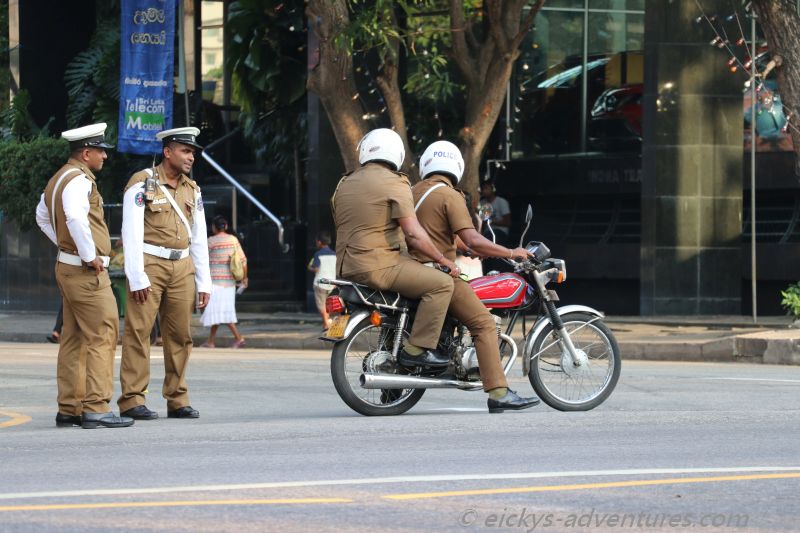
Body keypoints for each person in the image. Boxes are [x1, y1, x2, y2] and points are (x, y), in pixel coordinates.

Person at [412, 140, 540, 413]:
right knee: (482, 322)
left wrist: (468, 249)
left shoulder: (412, 191)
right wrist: (510, 251)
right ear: (455, 165)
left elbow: (439, 237)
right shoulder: (449, 195)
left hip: (411, 270)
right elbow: (472, 237)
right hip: (438, 273)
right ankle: (499, 391)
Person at [332, 128, 460, 367]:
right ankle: (417, 350)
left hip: (346, 266)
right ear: (398, 154)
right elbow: (412, 232)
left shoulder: (344, 183)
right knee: (442, 284)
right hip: (380, 265)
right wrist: (443, 260)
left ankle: (392, 388)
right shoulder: (396, 182)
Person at [34, 122, 134, 429]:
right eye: (101, 152)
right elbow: (76, 218)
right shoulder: (79, 180)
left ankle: (69, 408)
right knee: (103, 334)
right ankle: (96, 407)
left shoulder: (57, 179)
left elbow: (41, 217)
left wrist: (67, 247)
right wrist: (88, 254)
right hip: (85, 270)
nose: (105, 157)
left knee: (74, 338)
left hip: (69, 265)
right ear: (86, 152)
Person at [118, 127, 211, 421]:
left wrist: (204, 280)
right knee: (139, 332)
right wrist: (136, 275)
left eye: (193, 152)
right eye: (185, 151)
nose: (191, 157)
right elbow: (130, 231)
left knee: (181, 335)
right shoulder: (142, 182)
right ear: (168, 151)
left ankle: (177, 397)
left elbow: (199, 236)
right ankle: (132, 399)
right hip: (150, 263)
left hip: (182, 266)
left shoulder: (192, 189)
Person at [201, 215, 247, 348]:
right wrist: (245, 278)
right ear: (226, 226)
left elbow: (201, 258)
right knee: (220, 311)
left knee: (221, 312)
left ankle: (239, 338)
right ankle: (210, 341)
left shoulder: (211, 241)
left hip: (215, 282)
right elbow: (243, 260)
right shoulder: (233, 240)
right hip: (229, 283)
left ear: (214, 227)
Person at [307, 230, 336, 330]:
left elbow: (316, 268)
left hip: (320, 283)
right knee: (329, 305)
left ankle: (326, 324)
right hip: (332, 284)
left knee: (321, 305)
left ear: (319, 242)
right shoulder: (334, 254)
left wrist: (310, 267)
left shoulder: (318, 254)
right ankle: (326, 324)